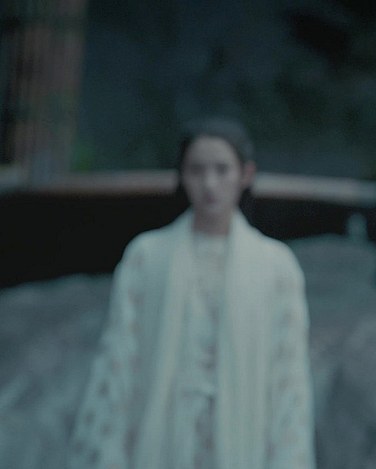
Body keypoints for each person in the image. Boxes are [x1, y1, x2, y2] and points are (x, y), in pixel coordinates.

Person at [68, 117, 315, 469]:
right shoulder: (147, 257)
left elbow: (289, 382)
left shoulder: (276, 267)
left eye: (222, 170)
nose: (209, 184)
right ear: (182, 175)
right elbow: (118, 366)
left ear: (245, 174)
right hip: (160, 440)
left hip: (243, 441)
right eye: (197, 170)